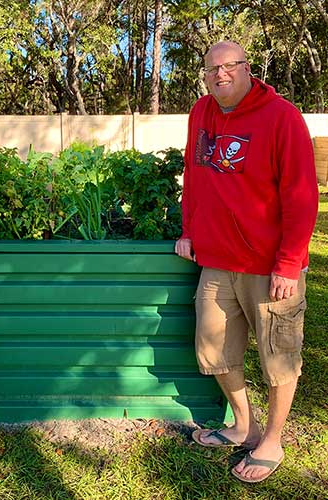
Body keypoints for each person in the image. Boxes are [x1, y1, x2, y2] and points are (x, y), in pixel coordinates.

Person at [175, 41, 318, 483]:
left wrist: (290, 263)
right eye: (211, 69)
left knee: (279, 356)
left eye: (229, 66)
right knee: (214, 349)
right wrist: (189, 230)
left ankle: (272, 440)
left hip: (270, 264)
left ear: (247, 68)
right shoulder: (201, 112)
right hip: (217, 260)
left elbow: (302, 193)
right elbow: (195, 173)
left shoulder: (282, 117)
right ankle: (243, 424)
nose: (220, 74)